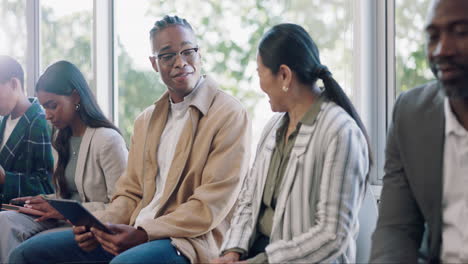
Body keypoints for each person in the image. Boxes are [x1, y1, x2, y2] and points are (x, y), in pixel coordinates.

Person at [9, 15, 251, 264]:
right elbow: (129, 193)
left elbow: (210, 205)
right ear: (154, 63)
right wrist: (100, 225)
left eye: (188, 51)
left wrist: (144, 234)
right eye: (167, 55)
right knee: (26, 254)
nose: (181, 62)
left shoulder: (228, 114)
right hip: (134, 228)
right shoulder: (146, 120)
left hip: (188, 240)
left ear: (200, 54)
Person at [212, 23, 371, 264]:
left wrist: (261, 262)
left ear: (284, 75)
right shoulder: (273, 127)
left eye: (260, 73)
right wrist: (232, 252)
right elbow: (248, 199)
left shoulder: (340, 132)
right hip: (255, 252)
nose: (260, 85)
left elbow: (332, 236)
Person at [0, 60, 128, 262]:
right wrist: (47, 200)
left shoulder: (107, 141)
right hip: (64, 219)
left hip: (92, 227)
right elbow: (68, 194)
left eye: (53, 106)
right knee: (4, 220)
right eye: (44, 107)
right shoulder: (60, 138)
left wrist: (62, 208)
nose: (47, 115)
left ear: (75, 97)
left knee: (22, 254)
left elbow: (123, 206)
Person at [370, 0, 468, 263]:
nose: (441, 50)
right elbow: (396, 229)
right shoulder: (410, 114)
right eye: (433, 36)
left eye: (460, 32)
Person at [0, 55, 54, 205]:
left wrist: (5, 178)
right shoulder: (3, 121)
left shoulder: (40, 122)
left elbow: (47, 186)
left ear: (13, 84)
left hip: (20, 212)